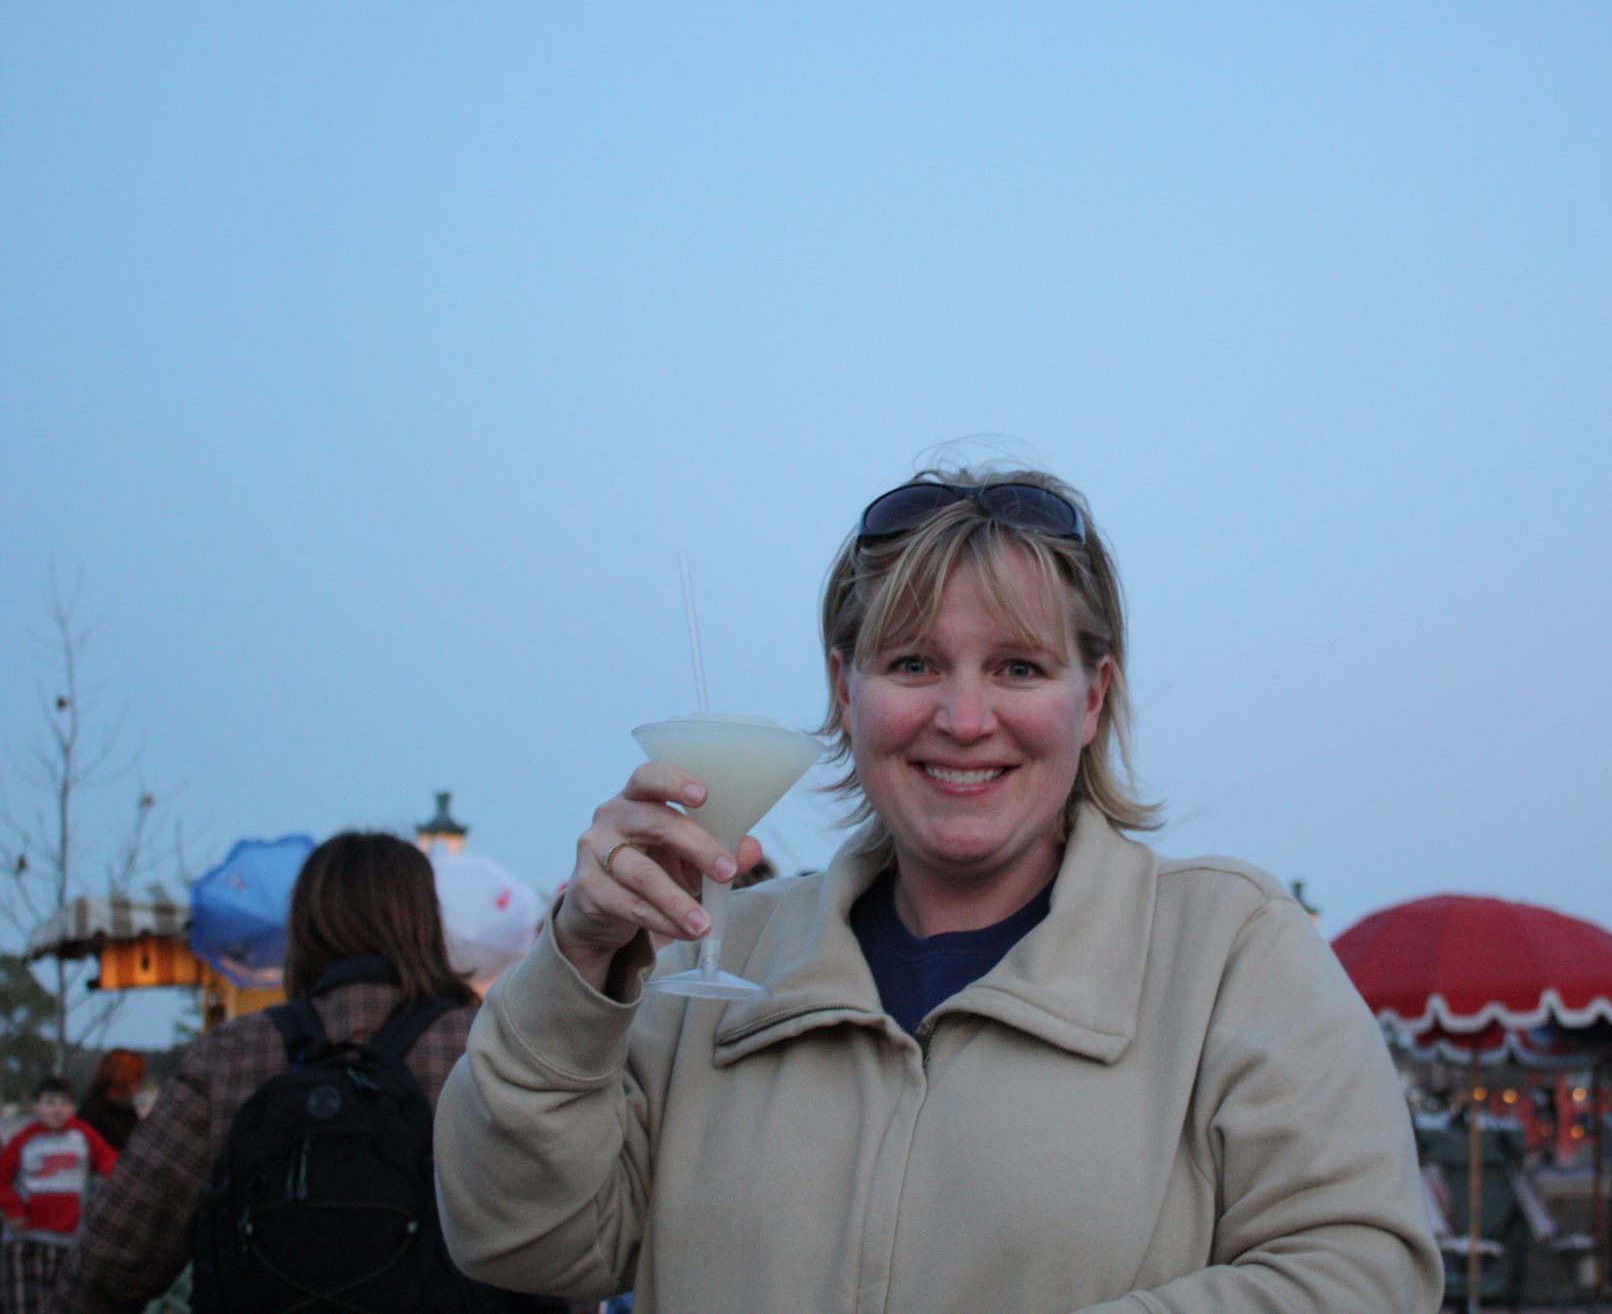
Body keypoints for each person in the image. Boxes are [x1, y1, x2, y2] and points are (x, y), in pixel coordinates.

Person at [436, 466, 1444, 1313]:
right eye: (913, 662)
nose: (963, 719)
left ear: (1089, 698)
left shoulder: (1232, 950)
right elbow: (518, 1240)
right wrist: (574, 958)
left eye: (1016, 667)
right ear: (844, 690)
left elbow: (1360, 1275)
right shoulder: (718, 957)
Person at [55, 833, 489, 1313]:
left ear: (304, 927)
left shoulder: (230, 1057)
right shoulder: (479, 1050)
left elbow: (111, 1257)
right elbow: (553, 1249)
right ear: (425, 923)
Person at [0, 1075, 117, 1314]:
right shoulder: (24, 1139)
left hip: (69, 1239)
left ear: (73, 1107)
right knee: (24, 1303)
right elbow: (2, 1177)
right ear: (37, 1106)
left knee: (63, 1304)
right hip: (26, 1238)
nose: (57, 1109)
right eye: (50, 1102)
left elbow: (108, 1160)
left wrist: (116, 1177)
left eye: (64, 1103)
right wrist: (12, 1208)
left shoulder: (83, 1135)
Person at [76, 1050, 146, 1154]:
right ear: (125, 1079)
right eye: (137, 1079)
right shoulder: (94, 1115)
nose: (138, 1087)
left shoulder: (126, 1110)